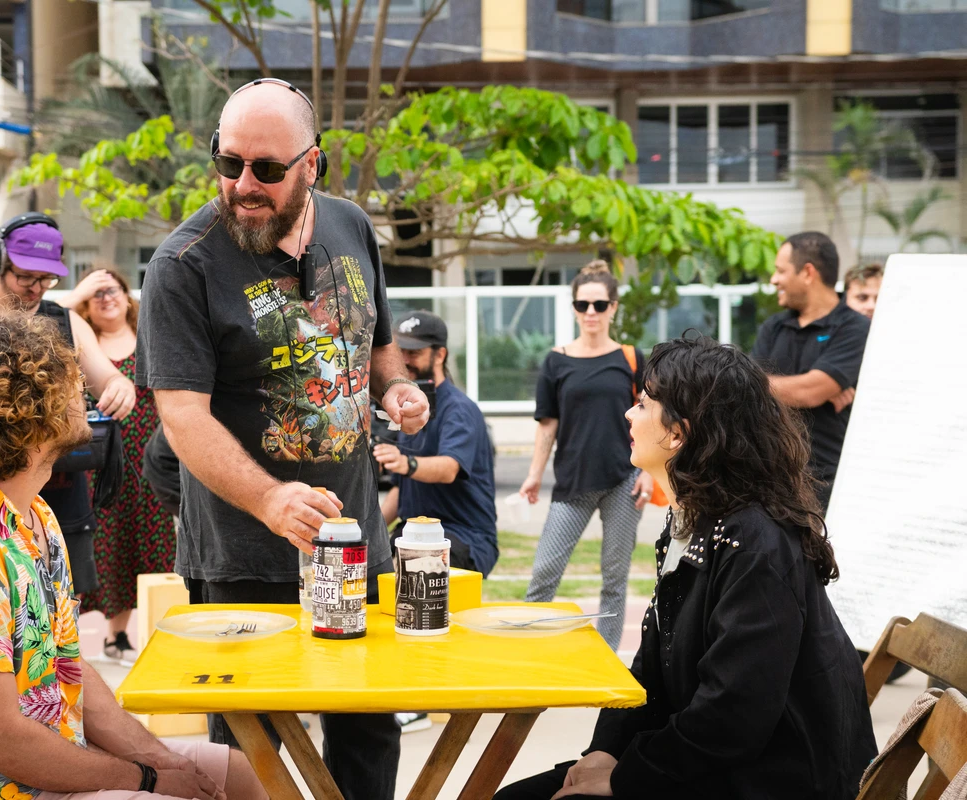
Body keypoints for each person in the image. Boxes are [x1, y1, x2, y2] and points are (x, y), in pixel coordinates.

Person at [136, 77, 429, 800]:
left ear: (312, 164)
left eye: (266, 169)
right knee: (248, 753)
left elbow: (378, 342)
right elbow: (183, 418)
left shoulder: (352, 225)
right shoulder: (182, 265)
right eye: (227, 162)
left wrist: (396, 387)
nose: (242, 184)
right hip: (241, 556)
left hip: (358, 540)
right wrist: (270, 500)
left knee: (366, 730)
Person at [0, 305, 266, 800]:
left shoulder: (33, 515)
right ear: (31, 414)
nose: (83, 393)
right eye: (69, 386)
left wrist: (159, 759)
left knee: (233, 772)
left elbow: (67, 667)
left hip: (46, 759)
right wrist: (146, 779)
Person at [495, 335, 877, 800]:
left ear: (678, 433)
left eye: (643, 404)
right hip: (710, 761)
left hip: (769, 779)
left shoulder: (754, 543)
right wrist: (606, 749)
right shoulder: (696, 520)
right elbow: (652, 665)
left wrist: (625, 776)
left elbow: (734, 715)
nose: (628, 415)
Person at [0, 216, 137, 597]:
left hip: (61, 492)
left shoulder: (66, 321)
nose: (36, 288)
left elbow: (109, 376)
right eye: (25, 277)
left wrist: (120, 386)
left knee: (62, 613)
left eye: (47, 279)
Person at [519, 261, 655, 651]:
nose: (590, 313)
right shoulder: (556, 361)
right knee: (544, 574)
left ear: (613, 306)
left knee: (615, 578)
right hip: (573, 482)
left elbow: (651, 417)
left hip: (624, 481)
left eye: (599, 304)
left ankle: (609, 659)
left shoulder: (631, 358)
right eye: (582, 305)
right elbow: (548, 425)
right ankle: (526, 654)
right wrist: (533, 475)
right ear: (574, 308)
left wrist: (649, 472)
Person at [57, 266, 176, 666]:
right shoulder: (80, 345)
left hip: (152, 459)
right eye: (97, 294)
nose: (107, 298)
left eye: (114, 290)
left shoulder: (152, 337)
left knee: (158, 544)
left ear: (128, 297)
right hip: (102, 465)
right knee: (113, 546)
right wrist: (74, 298)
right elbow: (43, 322)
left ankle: (164, 631)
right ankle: (116, 635)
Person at [374, 309, 498, 576]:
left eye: (414, 353)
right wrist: (368, 532)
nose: (405, 361)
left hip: (463, 536)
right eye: (401, 352)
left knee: (412, 571)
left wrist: (405, 462)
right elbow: (400, 490)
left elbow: (449, 468)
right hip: (413, 534)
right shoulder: (411, 404)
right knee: (366, 567)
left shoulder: (459, 410)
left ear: (440, 355)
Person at [753, 232, 869, 511]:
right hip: (770, 480)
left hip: (831, 485)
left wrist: (765, 385)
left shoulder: (854, 328)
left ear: (808, 272)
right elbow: (748, 389)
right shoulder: (774, 327)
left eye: (781, 271)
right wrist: (814, 387)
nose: (774, 280)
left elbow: (810, 391)